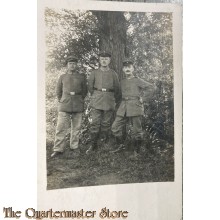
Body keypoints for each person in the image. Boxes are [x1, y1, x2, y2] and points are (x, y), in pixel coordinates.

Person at [111, 59, 154, 157]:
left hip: (135, 106)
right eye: (125, 67)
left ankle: (136, 152)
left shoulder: (137, 80)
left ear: (133, 68)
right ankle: (120, 146)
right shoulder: (122, 82)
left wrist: (144, 98)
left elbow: (151, 87)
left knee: (137, 131)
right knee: (115, 127)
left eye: (129, 67)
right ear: (122, 69)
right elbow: (118, 94)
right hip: (123, 107)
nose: (127, 69)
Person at [51, 55, 87, 158]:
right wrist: (62, 100)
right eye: (70, 63)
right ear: (67, 65)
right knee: (61, 127)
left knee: (76, 128)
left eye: (74, 64)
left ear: (77, 65)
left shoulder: (81, 77)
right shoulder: (62, 77)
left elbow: (84, 91)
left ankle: (74, 148)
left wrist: (79, 99)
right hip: (65, 104)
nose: (72, 65)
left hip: (77, 104)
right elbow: (58, 91)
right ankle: (58, 149)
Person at [86, 51, 120, 154]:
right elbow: (90, 87)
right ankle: (93, 145)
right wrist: (96, 94)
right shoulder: (94, 73)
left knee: (106, 123)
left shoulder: (113, 73)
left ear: (109, 60)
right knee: (95, 123)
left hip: (109, 100)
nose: (104, 61)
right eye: (102, 59)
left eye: (106, 59)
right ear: (99, 61)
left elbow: (117, 88)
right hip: (97, 99)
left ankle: (103, 144)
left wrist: (112, 99)